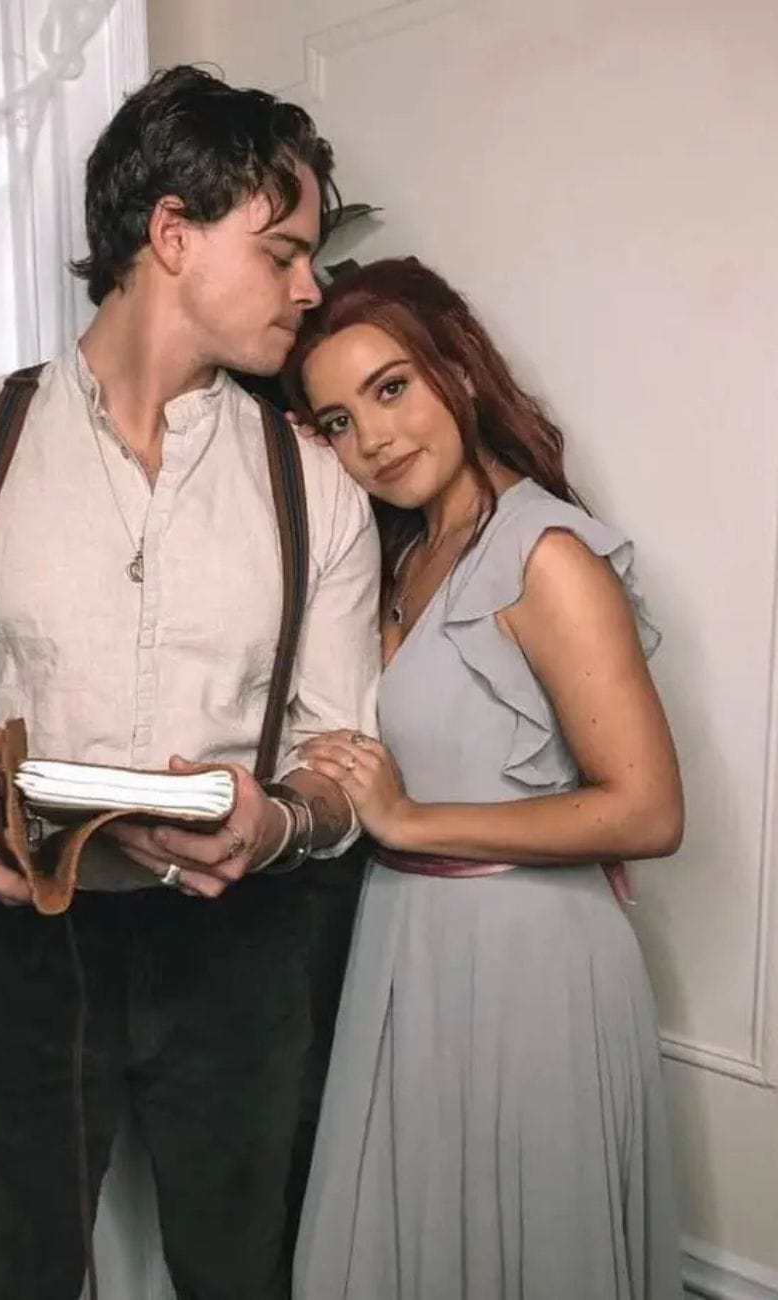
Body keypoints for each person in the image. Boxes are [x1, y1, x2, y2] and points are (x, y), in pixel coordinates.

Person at [0, 67, 381, 1300]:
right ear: (172, 233)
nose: (310, 286)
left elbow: (342, 756)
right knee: (10, 1280)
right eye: (283, 250)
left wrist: (280, 821)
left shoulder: (315, 487)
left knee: (242, 1280)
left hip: (241, 957)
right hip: (22, 951)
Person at [281, 257, 684, 1299]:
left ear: (457, 371)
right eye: (338, 421)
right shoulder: (405, 552)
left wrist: (409, 819)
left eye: (391, 388)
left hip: (527, 964)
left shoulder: (543, 555)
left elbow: (647, 810)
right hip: (405, 944)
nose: (373, 438)